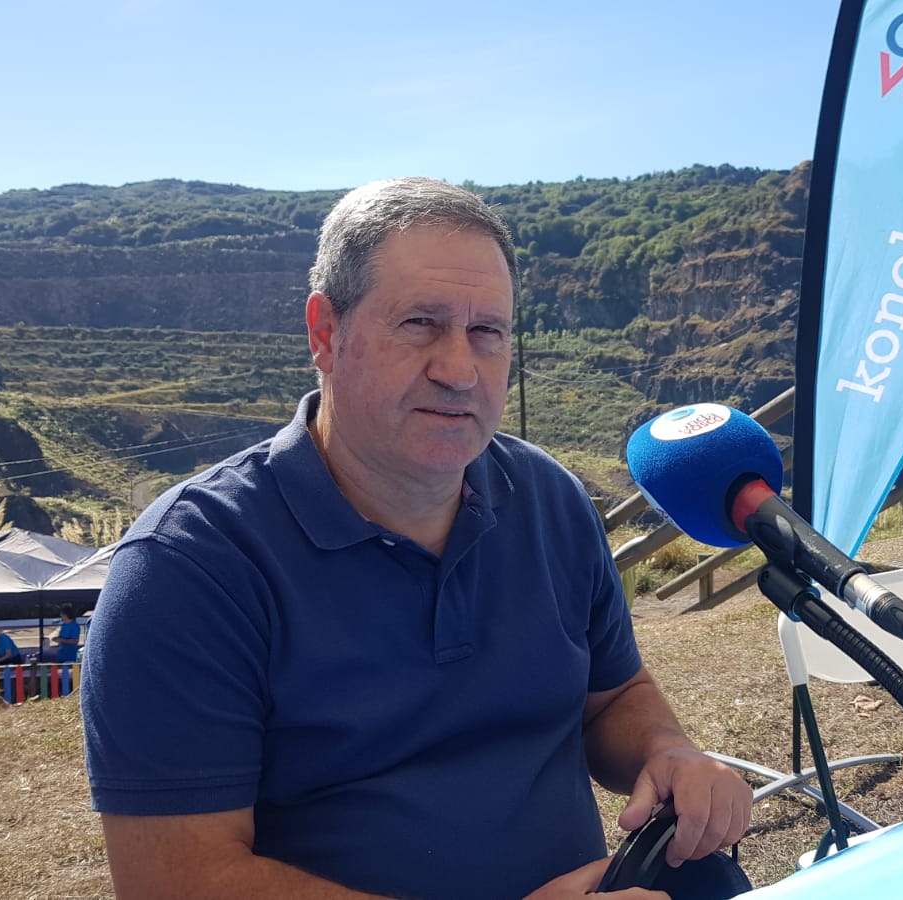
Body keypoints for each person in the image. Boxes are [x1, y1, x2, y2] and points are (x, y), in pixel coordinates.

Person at [81, 177, 752, 899]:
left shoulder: (549, 500)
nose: (459, 370)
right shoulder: (191, 565)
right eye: (420, 323)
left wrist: (667, 751)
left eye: (487, 332)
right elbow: (177, 881)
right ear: (325, 333)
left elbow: (613, 696)